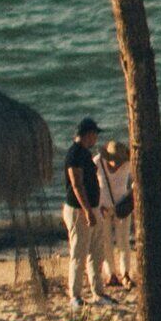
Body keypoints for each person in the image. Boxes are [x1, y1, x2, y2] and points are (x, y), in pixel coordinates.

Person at [60, 117, 110, 302]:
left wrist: (97, 206)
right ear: (88, 134)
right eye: (95, 135)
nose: (96, 139)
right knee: (79, 253)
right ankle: (75, 295)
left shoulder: (85, 153)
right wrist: (87, 210)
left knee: (97, 251)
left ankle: (98, 292)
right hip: (78, 209)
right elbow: (77, 184)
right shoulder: (74, 154)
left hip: (92, 206)